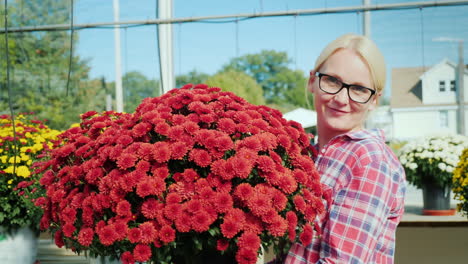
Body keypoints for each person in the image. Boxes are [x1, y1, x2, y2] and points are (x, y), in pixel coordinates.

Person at [284, 33, 406, 263]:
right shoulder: (307, 154)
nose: (341, 98)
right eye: (332, 81)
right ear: (312, 81)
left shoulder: (370, 161)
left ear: (374, 101)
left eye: (359, 89)